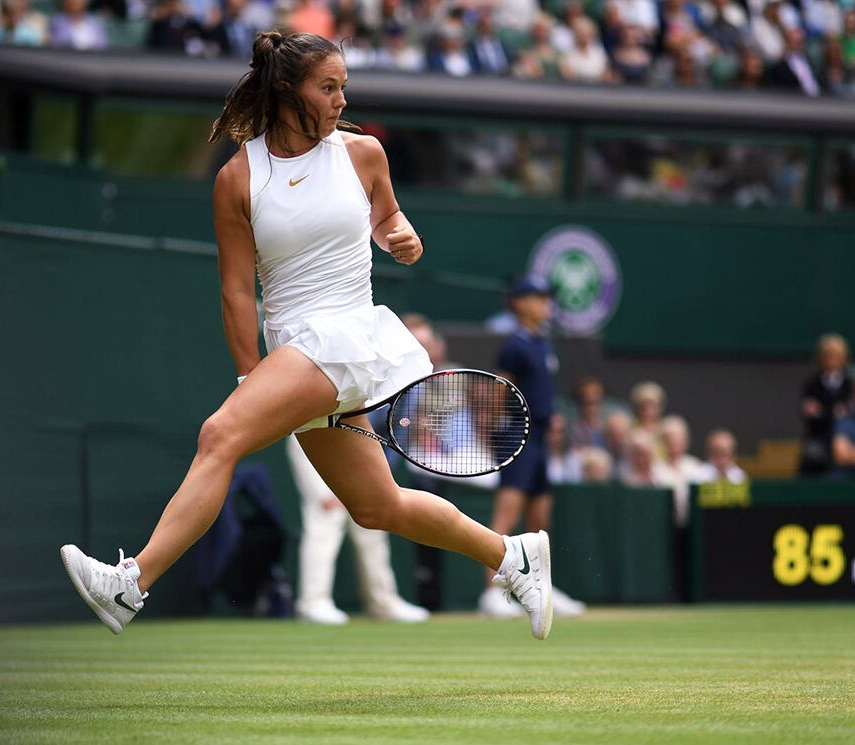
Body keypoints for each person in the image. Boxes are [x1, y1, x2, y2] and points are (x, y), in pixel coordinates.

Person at [59, 32, 553, 641]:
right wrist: (251, 377)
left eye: (344, 86)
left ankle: (129, 584)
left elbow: (388, 216)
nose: (342, 99)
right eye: (328, 87)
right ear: (286, 90)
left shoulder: (363, 154)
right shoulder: (238, 179)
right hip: (297, 350)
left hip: (346, 337)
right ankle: (514, 557)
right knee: (378, 507)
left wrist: (403, 235)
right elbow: (238, 291)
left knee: (219, 434)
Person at [478, 276, 584, 621]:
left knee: (540, 519)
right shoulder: (515, 346)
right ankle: (491, 593)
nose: (546, 305)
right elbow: (499, 390)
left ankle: (542, 592)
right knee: (506, 516)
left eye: (546, 299)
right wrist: (496, 429)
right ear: (520, 303)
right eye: (538, 298)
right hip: (516, 436)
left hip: (539, 438)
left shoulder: (543, 343)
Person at [285, 434, 429, 625]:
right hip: (313, 431)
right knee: (326, 518)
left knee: (372, 526)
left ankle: (383, 603)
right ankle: (313, 603)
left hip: (355, 438)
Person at [799, 333, 854, 476]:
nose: (832, 360)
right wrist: (833, 412)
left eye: (836, 355)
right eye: (828, 355)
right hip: (819, 435)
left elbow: (849, 412)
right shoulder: (811, 383)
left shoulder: (851, 383)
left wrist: (824, 412)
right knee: (812, 455)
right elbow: (810, 414)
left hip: (847, 436)